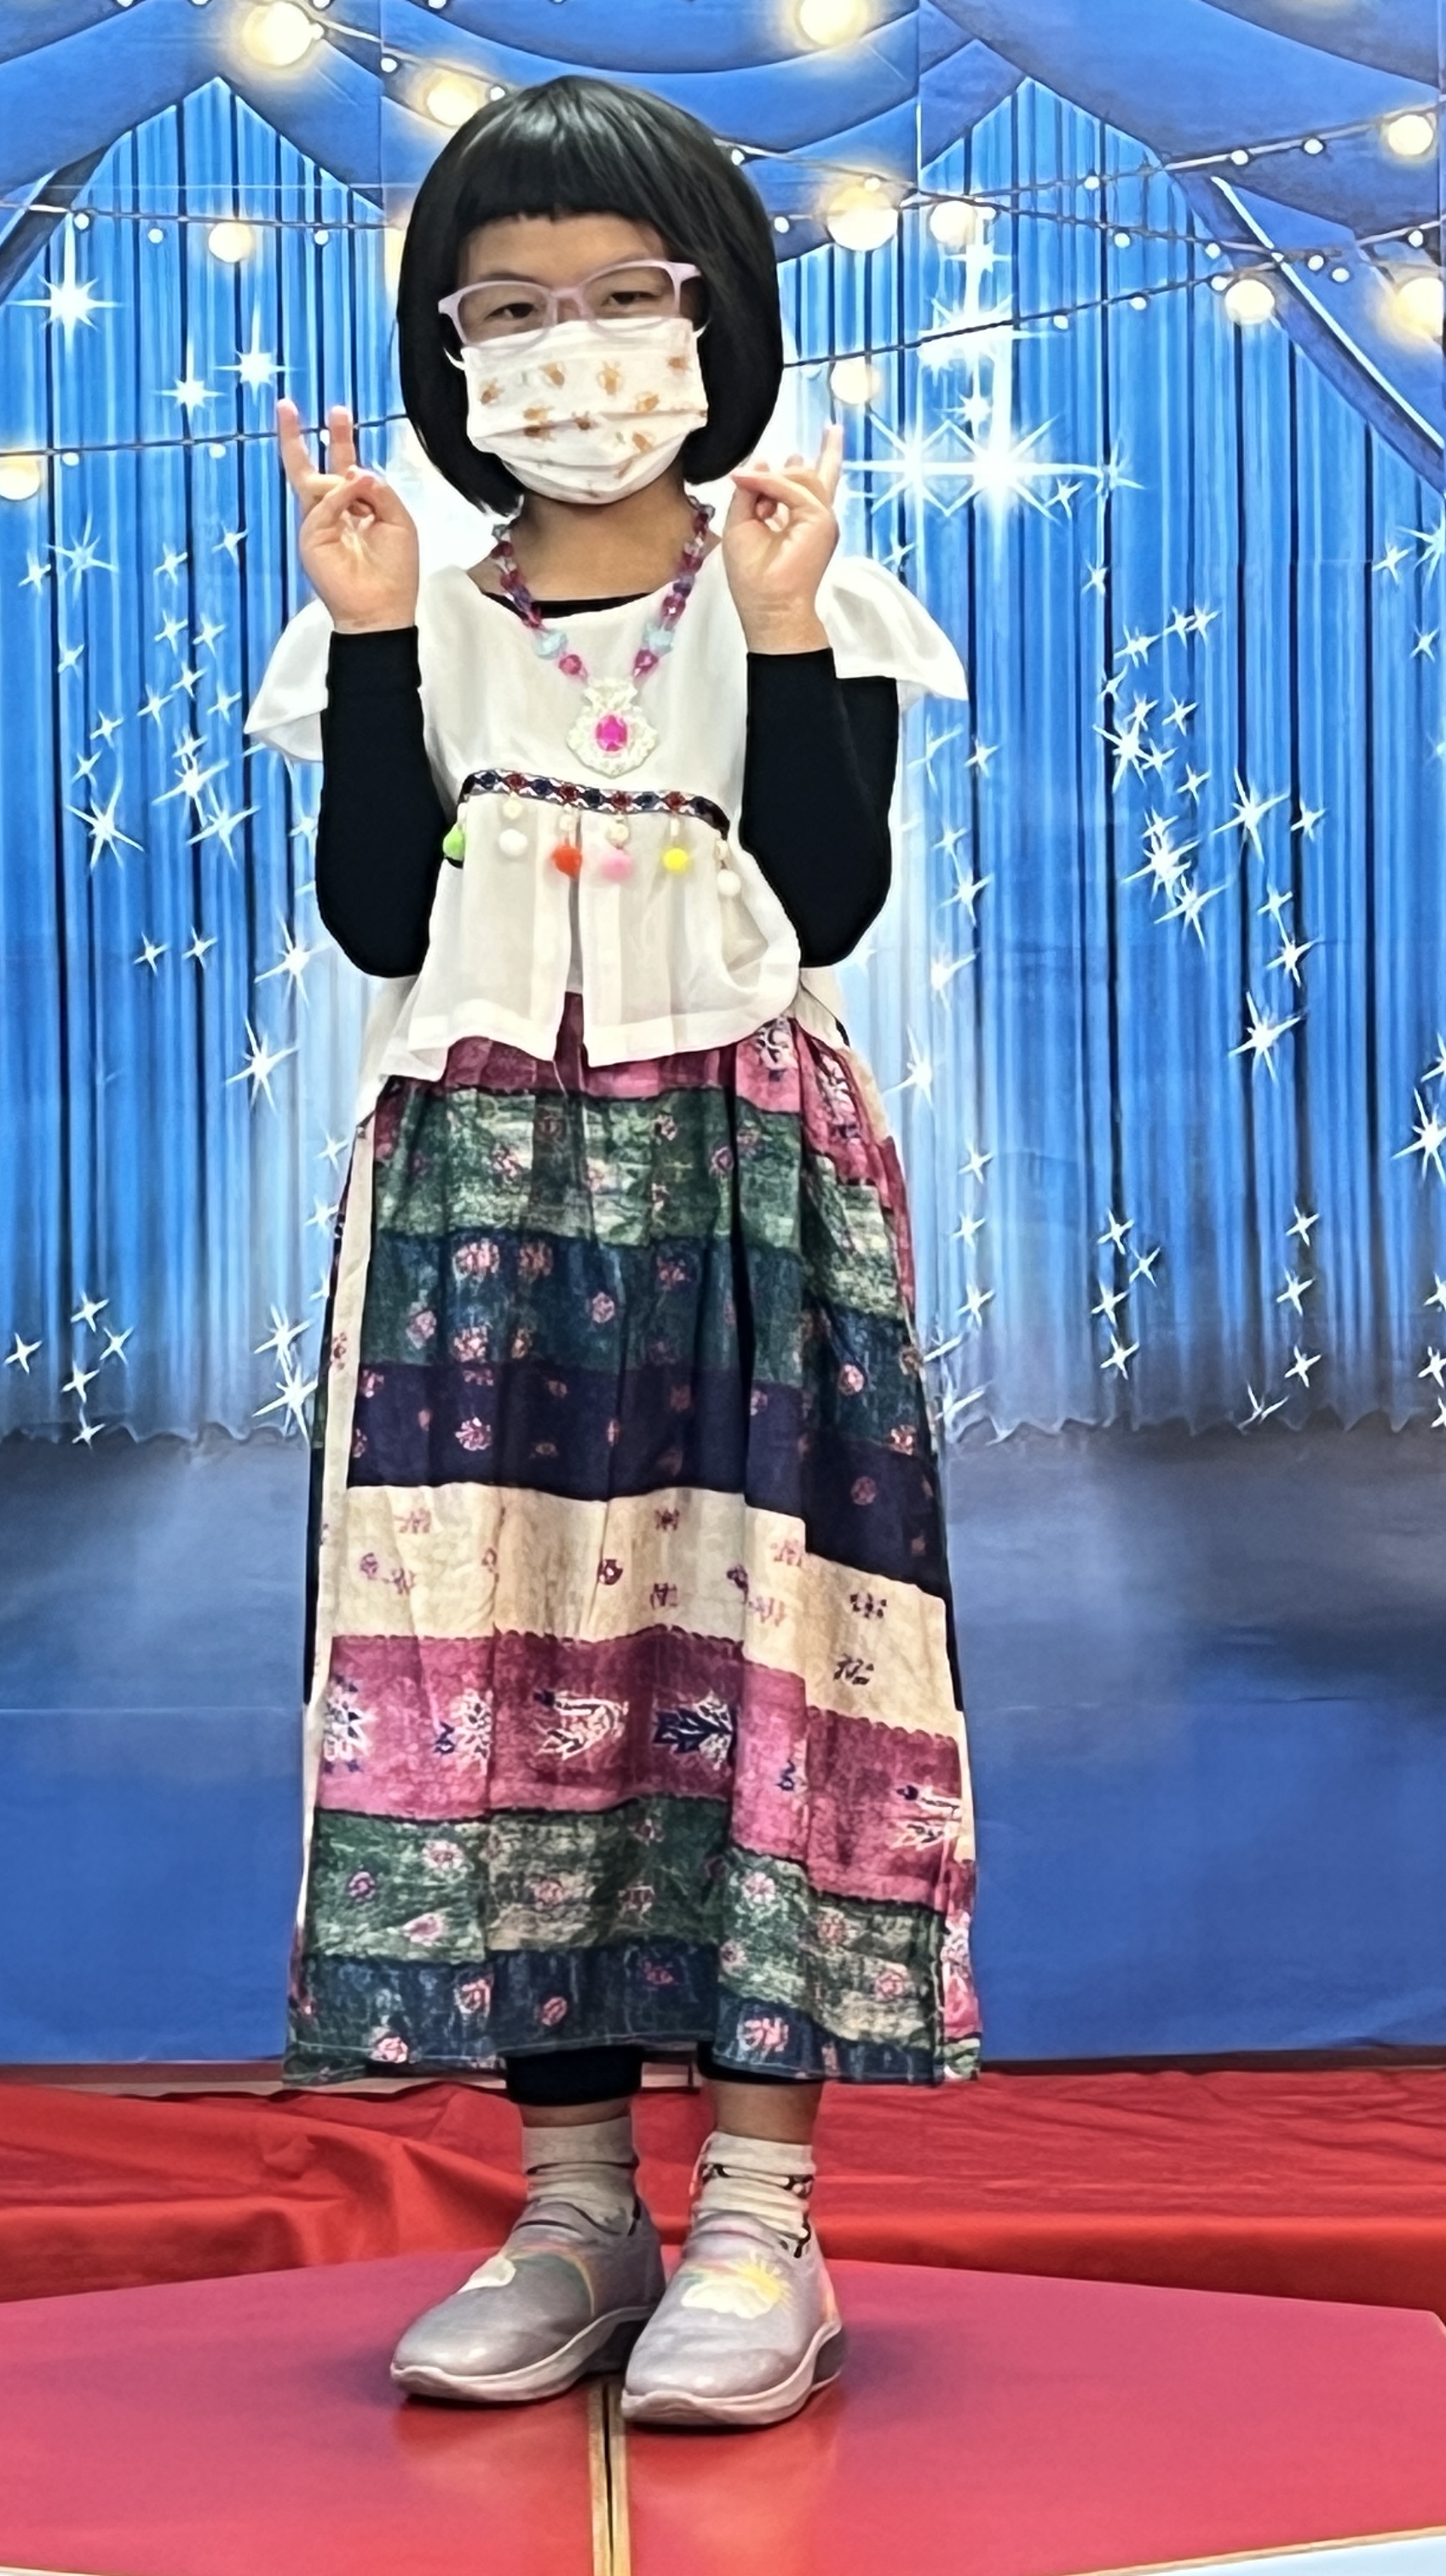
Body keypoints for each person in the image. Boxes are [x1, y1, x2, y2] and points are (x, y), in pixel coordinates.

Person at [245, 73, 976, 2432]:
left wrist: (776, 629)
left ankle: (759, 2215)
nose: (570, 348)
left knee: (760, 1658)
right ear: (449, 349)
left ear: (714, 317)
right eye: (511, 307)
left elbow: (828, 903)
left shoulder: (806, 582)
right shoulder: (404, 607)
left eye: (620, 294)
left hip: (744, 1171)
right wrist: (374, 630)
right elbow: (380, 917)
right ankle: (574, 2208)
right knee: (504, 1666)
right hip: (478, 1189)